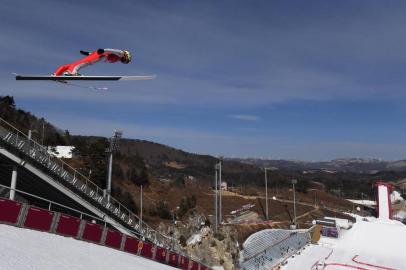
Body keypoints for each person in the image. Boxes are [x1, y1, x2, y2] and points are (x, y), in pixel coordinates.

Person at [53, 48, 132, 76]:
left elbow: (93, 54)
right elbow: (112, 50)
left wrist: (87, 53)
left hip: (99, 56)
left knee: (77, 63)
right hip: (101, 55)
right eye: (125, 60)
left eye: (124, 62)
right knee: (85, 63)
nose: (123, 61)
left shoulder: (117, 58)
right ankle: (71, 72)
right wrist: (104, 50)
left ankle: (57, 74)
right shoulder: (121, 53)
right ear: (126, 55)